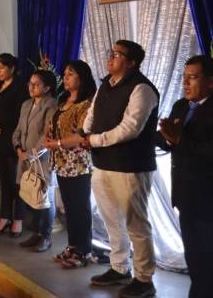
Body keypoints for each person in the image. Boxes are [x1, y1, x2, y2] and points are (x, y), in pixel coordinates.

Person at [66, 40, 158, 297]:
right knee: (111, 221)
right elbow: (92, 114)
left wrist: (93, 139)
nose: (111, 57)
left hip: (131, 166)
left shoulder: (142, 89)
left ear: (132, 62)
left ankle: (144, 278)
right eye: (111, 52)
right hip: (103, 164)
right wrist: (83, 133)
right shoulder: (106, 84)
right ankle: (119, 267)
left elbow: (130, 128)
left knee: (135, 224)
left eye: (117, 55)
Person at [156, 55, 213, 298]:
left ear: (210, 81)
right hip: (185, 195)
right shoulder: (181, 105)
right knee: (194, 257)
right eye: (184, 77)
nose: (186, 83)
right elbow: (171, 143)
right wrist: (161, 135)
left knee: (208, 259)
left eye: (192, 77)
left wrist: (180, 140)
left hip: (208, 198)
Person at [43, 60, 97, 269]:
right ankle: (73, 246)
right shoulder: (64, 101)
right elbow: (56, 125)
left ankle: (83, 250)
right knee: (70, 208)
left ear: (81, 78)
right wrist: (50, 134)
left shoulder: (87, 104)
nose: (65, 77)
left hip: (79, 163)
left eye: (70, 74)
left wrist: (57, 143)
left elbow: (81, 134)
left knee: (80, 208)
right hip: (62, 162)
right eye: (64, 73)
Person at [13, 69, 58, 253]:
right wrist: (17, 147)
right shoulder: (26, 104)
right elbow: (18, 129)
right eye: (30, 84)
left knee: (44, 196)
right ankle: (36, 233)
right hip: (24, 156)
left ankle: (46, 236)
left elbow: (48, 133)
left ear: (47, 87)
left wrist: (32, 152)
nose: (31, 87)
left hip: (42, 158)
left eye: (36, 84)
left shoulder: (52, 106)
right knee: (30, 193)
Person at [0, 53, 28, 237]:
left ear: (12, 68)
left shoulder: (20, 87)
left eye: (2, 68)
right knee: (4, 180)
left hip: (12, 138)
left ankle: (18, 218)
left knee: (15, 181)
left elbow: (19, 112)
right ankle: (5, 215)